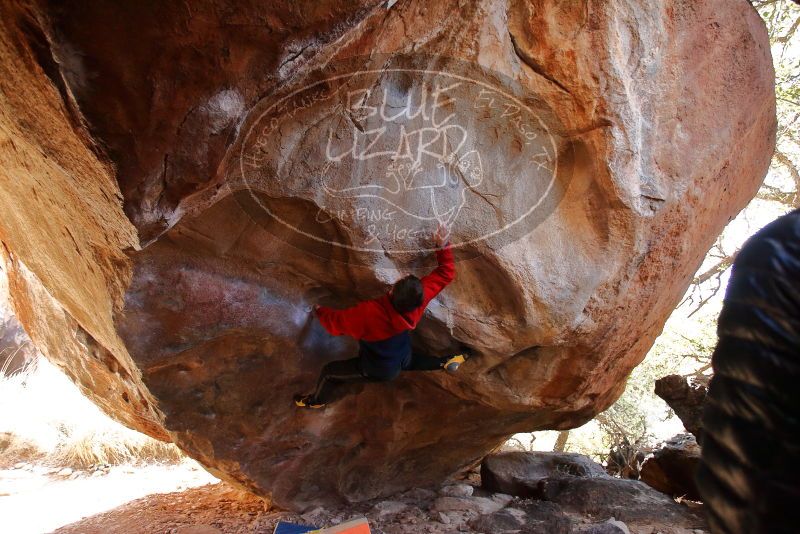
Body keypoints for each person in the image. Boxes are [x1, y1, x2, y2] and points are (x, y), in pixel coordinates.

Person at [294, 224, 468, 409]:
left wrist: (320, 310)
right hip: (402, 351)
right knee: (408, 361)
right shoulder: (420, 297)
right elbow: (446, 273)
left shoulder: (370, 314)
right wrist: (443, 246)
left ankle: (315, 402)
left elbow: (335, 325)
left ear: (392, 291)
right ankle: (446, 361)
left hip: (377, 369)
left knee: (329, 373)